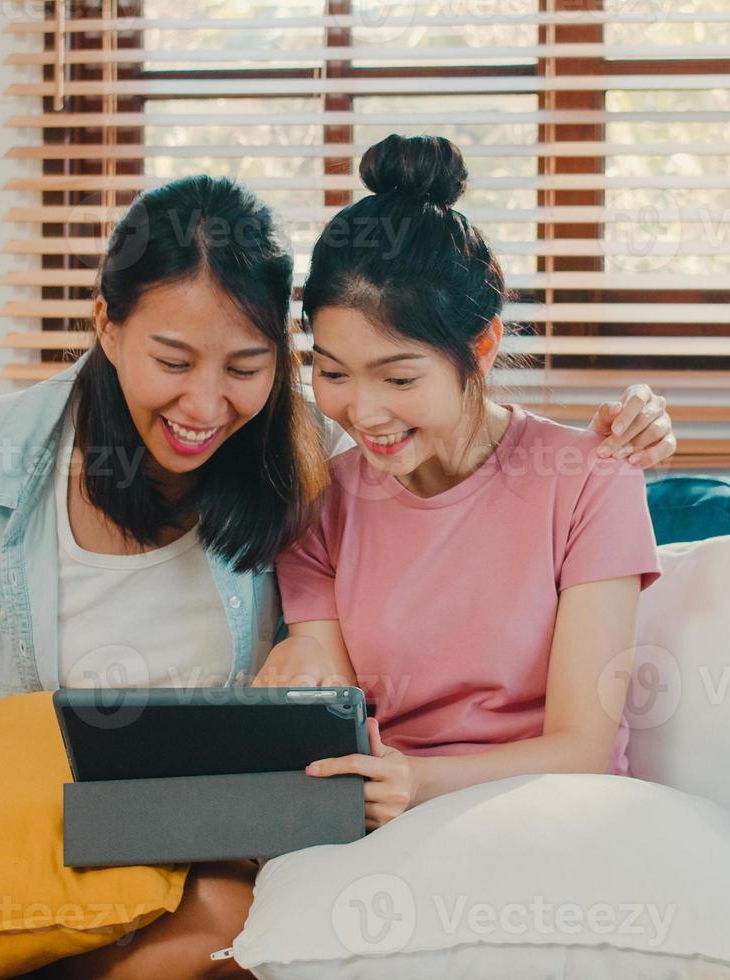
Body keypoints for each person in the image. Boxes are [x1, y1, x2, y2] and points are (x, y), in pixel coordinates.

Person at [0, 169, 677, 979]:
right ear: (104, 324)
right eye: (173, 359)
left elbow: (442, 490)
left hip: (181, 820)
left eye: (247, 367)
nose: (206, 403)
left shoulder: (311, 457)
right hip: (3, 788)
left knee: (220, 929)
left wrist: (604, 444)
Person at [258, 134, 663, 834]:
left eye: (399, 377)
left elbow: (582, 746)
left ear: (480, 346)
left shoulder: (590, 481)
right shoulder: (319, 504)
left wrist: (419, 781)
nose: (364, 411)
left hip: (564, 818)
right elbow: (338, 721)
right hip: (390, 825)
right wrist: (300, 683)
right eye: (332, 372)